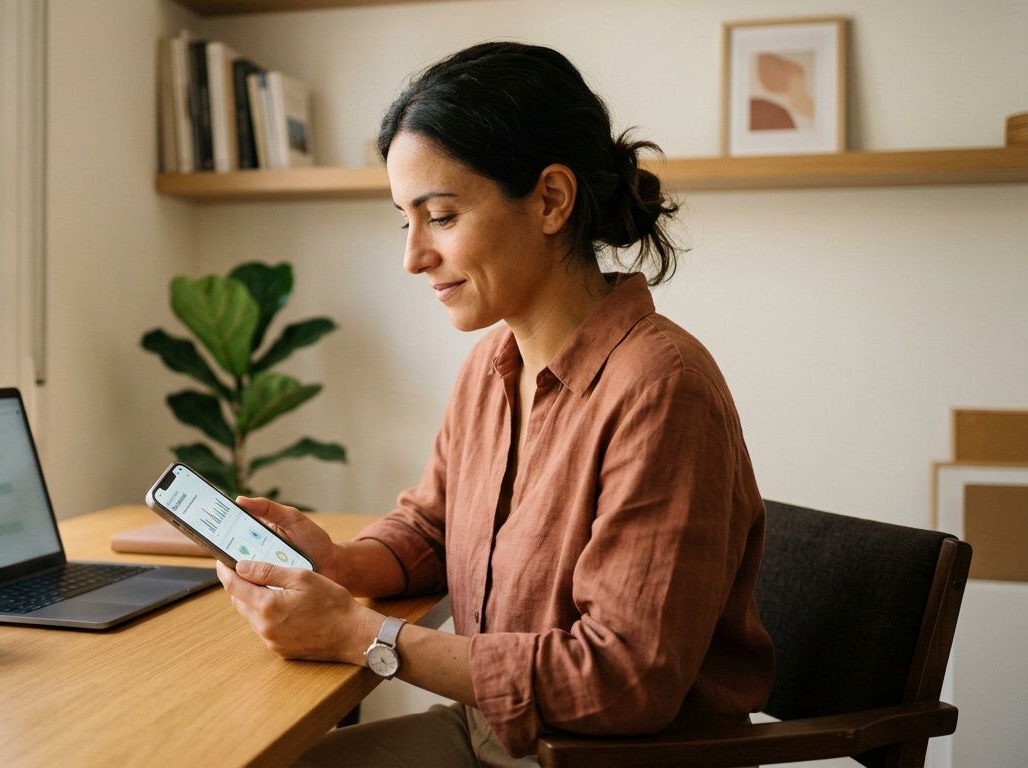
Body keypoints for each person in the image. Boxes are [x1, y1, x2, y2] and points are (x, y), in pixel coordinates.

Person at [215, 41, 774, 766]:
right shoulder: (492, 367)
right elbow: (433, 525)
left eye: (441, 216)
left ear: (550, 199)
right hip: (495, 738)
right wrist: (344, 564)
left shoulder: (663, 389)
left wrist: (360, 637)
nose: (413, 256)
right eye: (404, 220)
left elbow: (625, 678)